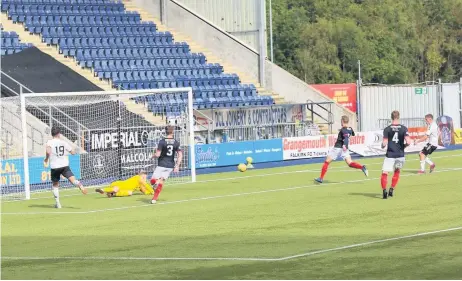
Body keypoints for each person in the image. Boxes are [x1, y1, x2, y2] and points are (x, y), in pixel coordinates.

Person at [315, 115, 368, 183]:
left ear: (342, 121)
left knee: (327, 161)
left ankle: (321, 178)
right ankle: (362, 167)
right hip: (345, 149)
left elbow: (346, 138)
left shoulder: (343, 130)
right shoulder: (350, 129)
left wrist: (345, 145)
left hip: (338, 148)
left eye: (341, 121)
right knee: (350, 163)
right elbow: (353, 134)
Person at [44, 126, 87, 209]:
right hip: (64, 165)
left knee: (55, 184)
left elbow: (48, 151)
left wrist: (46, 159)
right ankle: (80, 185)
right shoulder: (63, 142)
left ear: (52, 134)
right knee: (73, 180)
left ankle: (58, 203)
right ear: (59, 134)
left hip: (55, 166)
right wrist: (72, 150)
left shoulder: (49, 142)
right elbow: (73, 152)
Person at [381, 110, 413, 199]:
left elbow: (384, 143)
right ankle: (392, 188)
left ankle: (384, 190)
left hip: (390, 154)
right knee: (397, 171)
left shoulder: (387, 129)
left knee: (385, 172)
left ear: (391, 117)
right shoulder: (403, 128)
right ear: (398, 117)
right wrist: (404, 146)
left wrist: (382, 146)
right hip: (400, 155)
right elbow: (409, 142)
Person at [150, 126, 183, 204]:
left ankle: (156, 183)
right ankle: (154, 199)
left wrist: (153, 156)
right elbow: (180, 155)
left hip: (161, 164)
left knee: (152, 181)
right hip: (170, 166)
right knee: (161, 181)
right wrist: (177, 166)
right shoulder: (176, 142)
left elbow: (158, 154)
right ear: (173, 132)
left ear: (165, 132)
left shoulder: (162, 142)